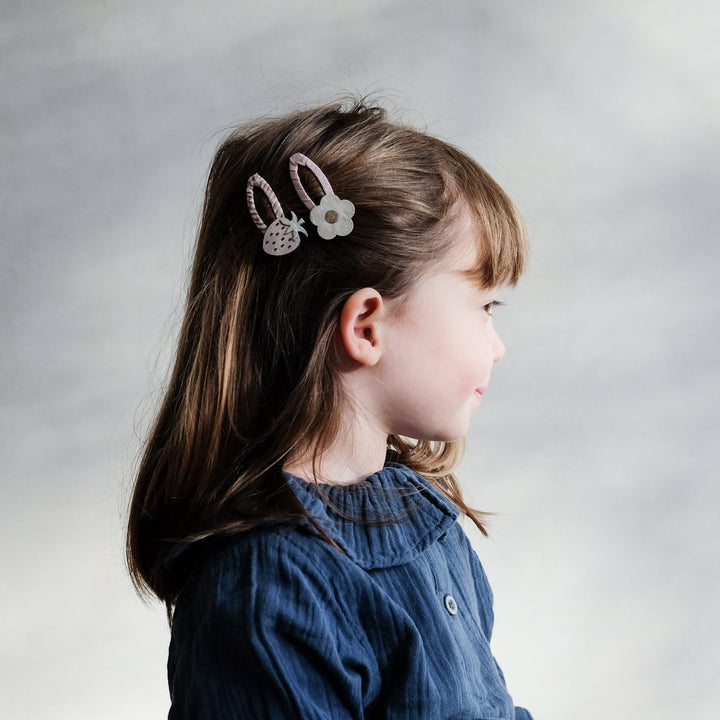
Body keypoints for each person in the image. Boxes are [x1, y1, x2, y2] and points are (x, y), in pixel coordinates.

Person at [126, 98, 533, 719]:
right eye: (484, 308)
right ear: (367, 325)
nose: (497, 346)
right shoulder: (268, 589)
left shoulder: (427, 522)